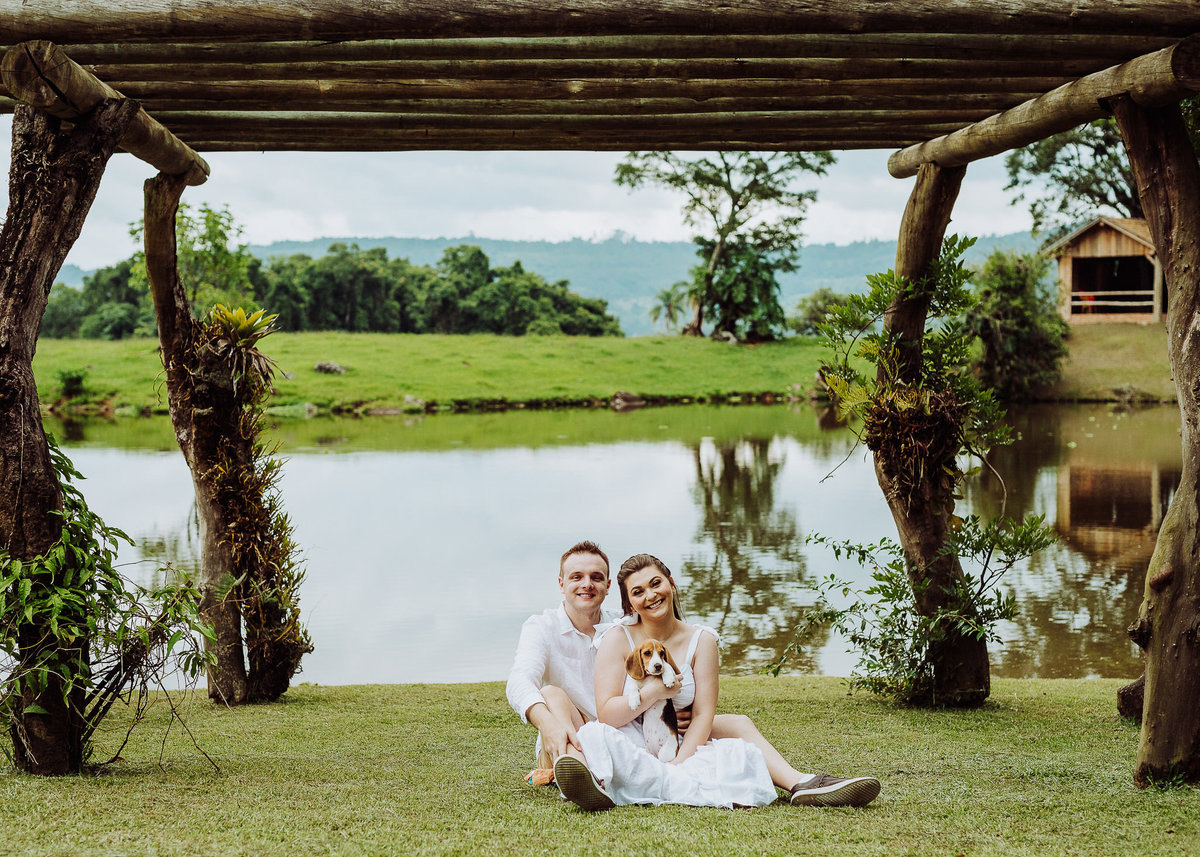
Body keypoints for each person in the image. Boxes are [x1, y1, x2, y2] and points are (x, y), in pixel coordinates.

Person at [507, 542, 880, 809]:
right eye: (576, 576)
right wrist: (551, 725)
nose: (586, 584)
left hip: (652, 726)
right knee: (553, 694)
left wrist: (680, 748)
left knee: (737, 722)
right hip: (585, 726)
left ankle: (799, 782)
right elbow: (523, 683)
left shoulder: (621, 626)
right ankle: (584, 775)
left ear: (607, 588)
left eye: (595, 578)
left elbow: (701, 711)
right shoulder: (569, 630)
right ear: (561, 583)